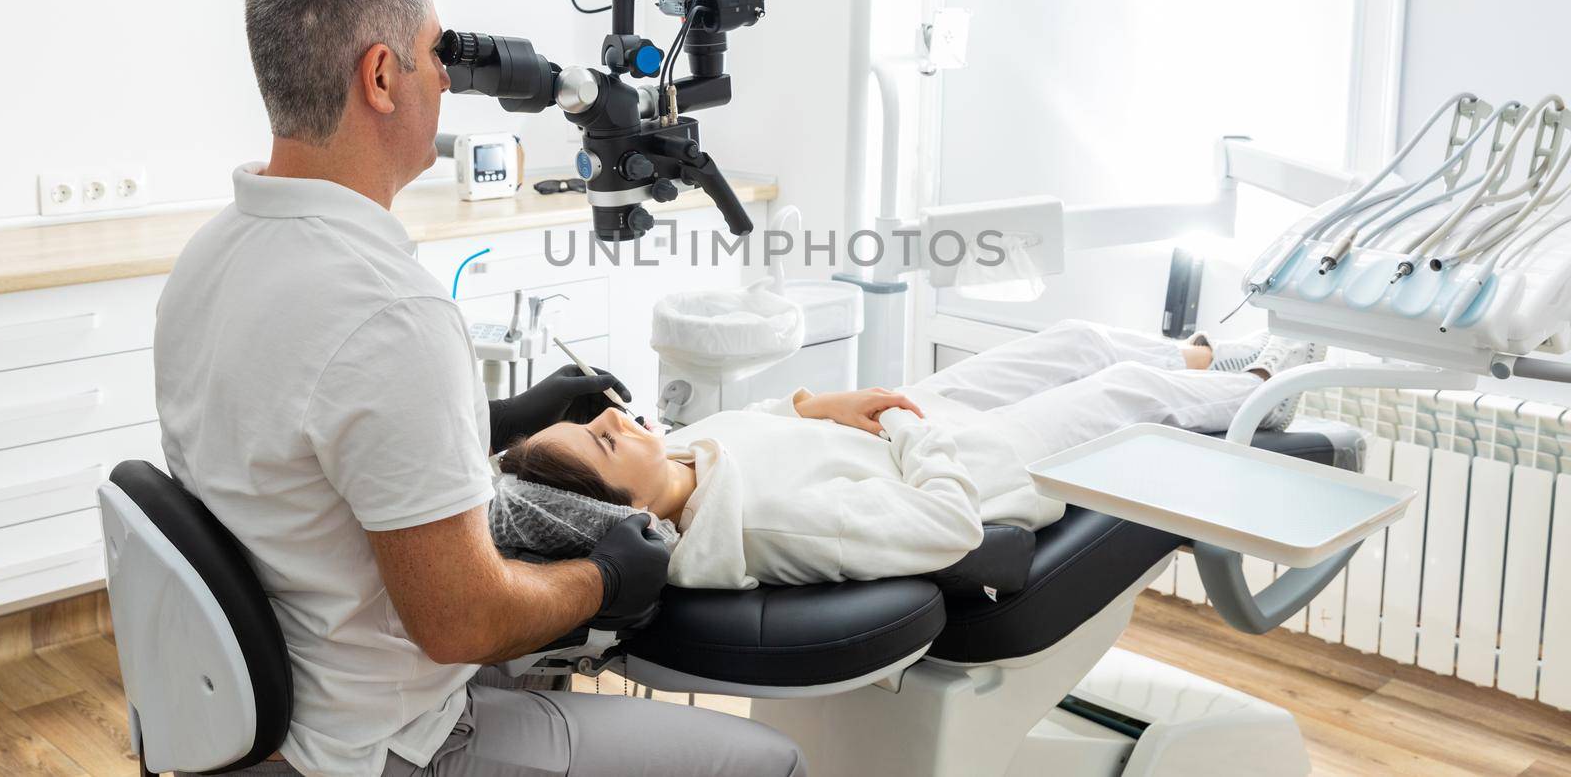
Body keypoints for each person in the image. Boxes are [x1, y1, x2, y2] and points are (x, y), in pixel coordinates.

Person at [156, 0, 806, 777]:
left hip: (262, 718)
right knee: (775, 762)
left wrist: (507, 415)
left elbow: (320, 443)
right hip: (384, 745)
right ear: (382, 77)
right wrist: (607, 576)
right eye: (436, 54)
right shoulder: (388, 312)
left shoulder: (211, 256)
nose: (448, 78)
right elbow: (461, 621)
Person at [499, 323, 1323, 589]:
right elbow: (948, 524)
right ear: (632, 515)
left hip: (916, 429)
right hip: (980, 465)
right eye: (606, 438)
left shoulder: (680, 460)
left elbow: (751, 421)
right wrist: (902, 429)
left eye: (603, 415)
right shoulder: (765, 524)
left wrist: (817, 404)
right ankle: (1267, 382)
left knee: (1075, 340)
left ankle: (1210, 356)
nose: (618, 414)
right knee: (1126, 394)